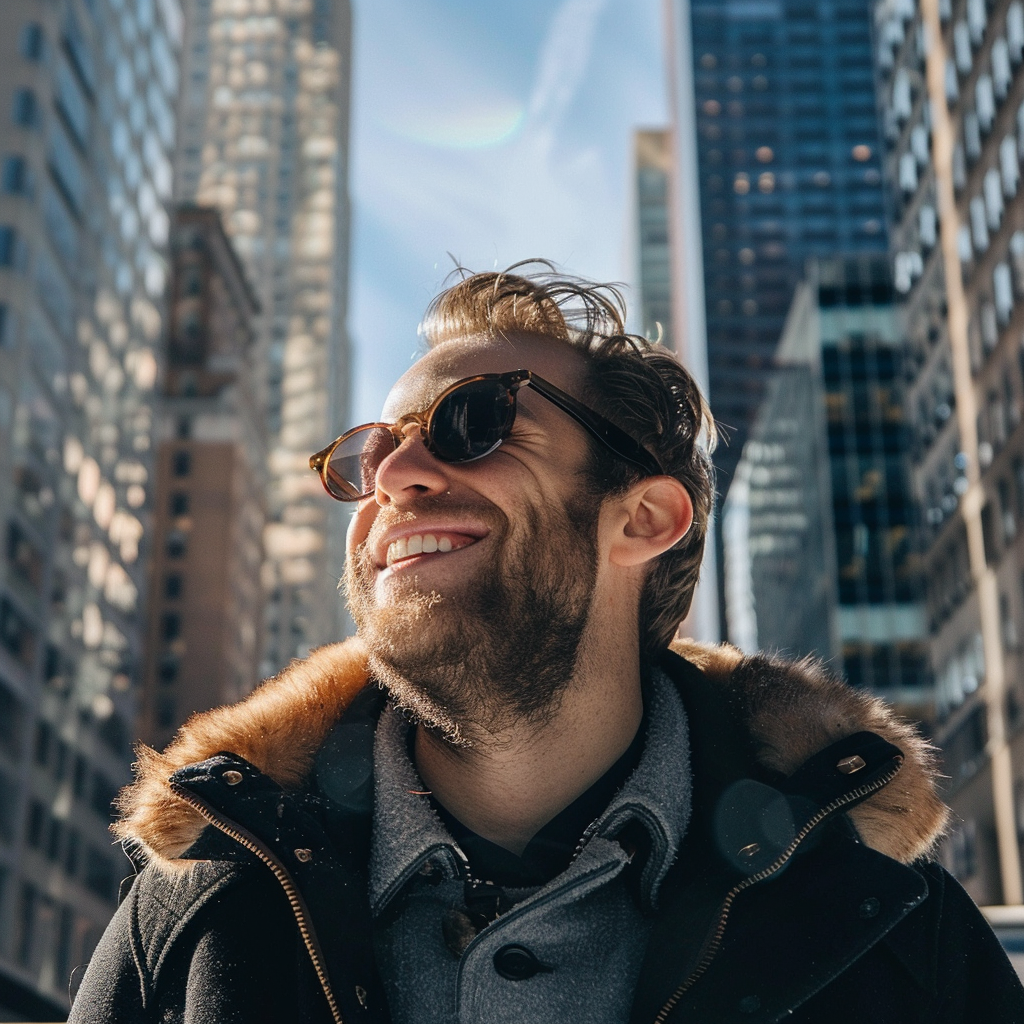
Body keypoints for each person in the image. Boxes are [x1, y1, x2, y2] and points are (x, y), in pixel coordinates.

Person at [70, 265, 1023, 1024]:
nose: (392, 476)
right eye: (368, 455)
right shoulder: (190, 920)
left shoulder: (899, 941)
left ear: (644, 518)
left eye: (473, 422)